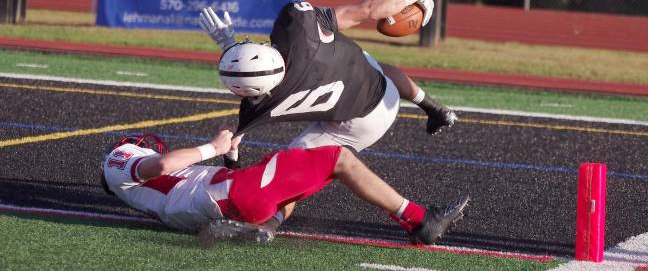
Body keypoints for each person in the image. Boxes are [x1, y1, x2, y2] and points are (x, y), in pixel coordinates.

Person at [198, 0, 457, 168]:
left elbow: (233, 145)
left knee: (289, 166)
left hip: (361, 121)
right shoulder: (298, 26)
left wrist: (232, 165)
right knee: (367, 63)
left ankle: (271, 222)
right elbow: (368, 9)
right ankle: (433, 107)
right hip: (379, 87)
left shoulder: (259, 103)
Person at [100, 131, 469, 245]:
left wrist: (229, 156)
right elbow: (161, 165)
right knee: (337, 158)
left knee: (294, 183)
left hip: (228, 202)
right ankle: (420, 220)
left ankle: (266, 228)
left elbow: (187, 180)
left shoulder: (139, 193)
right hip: (228, 196)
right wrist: (212, 146)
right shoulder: (118, 158)